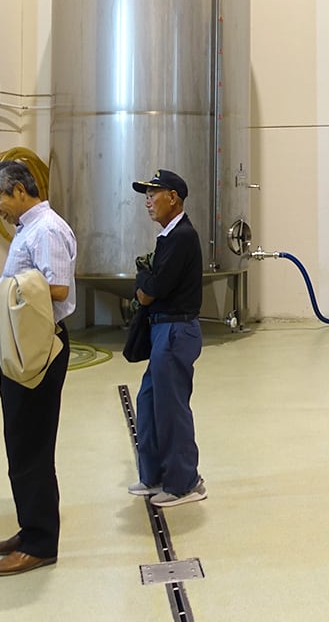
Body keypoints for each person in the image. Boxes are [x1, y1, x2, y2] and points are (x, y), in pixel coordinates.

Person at [0, 160, 76, 577]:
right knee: (20, 444)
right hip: (22, 349)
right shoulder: (29, 228)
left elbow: (57, 288)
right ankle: (30, 527)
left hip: (39, 350)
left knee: (32, 447)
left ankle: (41, 543)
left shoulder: (46, 230)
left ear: (20, 192)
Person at [127, 169, 207, 507]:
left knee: (171, 408)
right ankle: (155, 475)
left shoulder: (181, 237)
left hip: (175, 331)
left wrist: (143, 282)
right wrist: (146, 283)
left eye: (153, 194)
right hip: (163, 331)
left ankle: (185, 483)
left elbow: (151, 291)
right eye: (146, 196)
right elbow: (149, 287)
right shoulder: (168, 237)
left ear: (173, 197)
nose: (148, 201)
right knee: (148, 402)